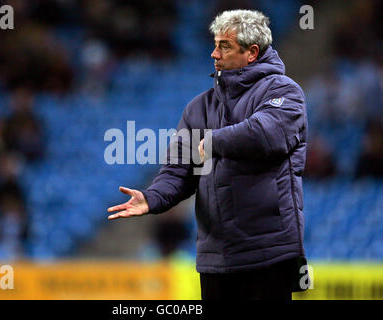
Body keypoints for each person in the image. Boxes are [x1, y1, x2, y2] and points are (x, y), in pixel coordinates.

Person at [107, 9, 309, 300]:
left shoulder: (284, 92)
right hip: (216, 259)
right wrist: (151, 197)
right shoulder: (199, 108)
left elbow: (267, 133)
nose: (214, 54)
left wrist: (214, 141)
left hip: (269, 255)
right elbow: (178, 172)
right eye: (214, 45)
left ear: (252, 52)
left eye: (224, 46)